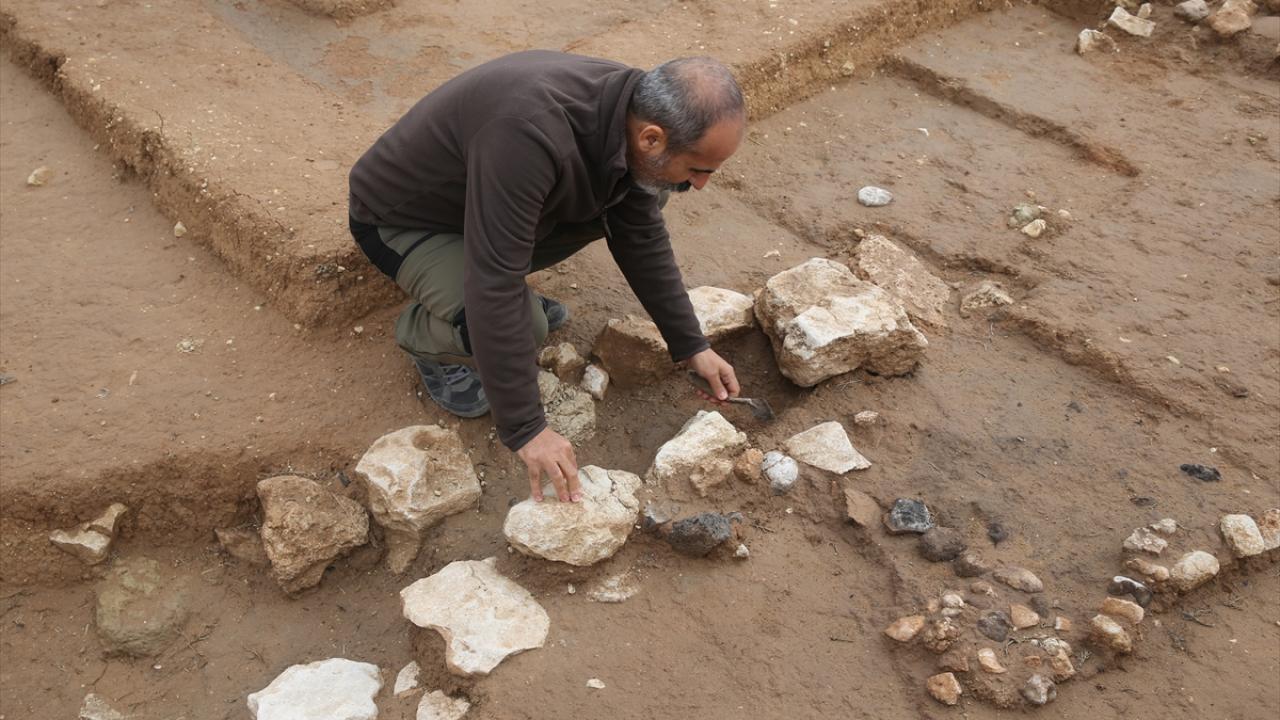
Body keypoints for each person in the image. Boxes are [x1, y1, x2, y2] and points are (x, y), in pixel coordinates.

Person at [348, 51, 745, 505]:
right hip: (404, 221)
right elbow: (493, 280)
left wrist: (690, 344)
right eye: (698, 169)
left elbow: (639, 234)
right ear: (652, 138)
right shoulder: (526, 133)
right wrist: (527, 428)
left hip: (480, 207)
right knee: (525, 326)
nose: (701, 185)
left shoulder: (627, 110)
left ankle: (495, 299)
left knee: (647, 200)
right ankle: (426, 338)